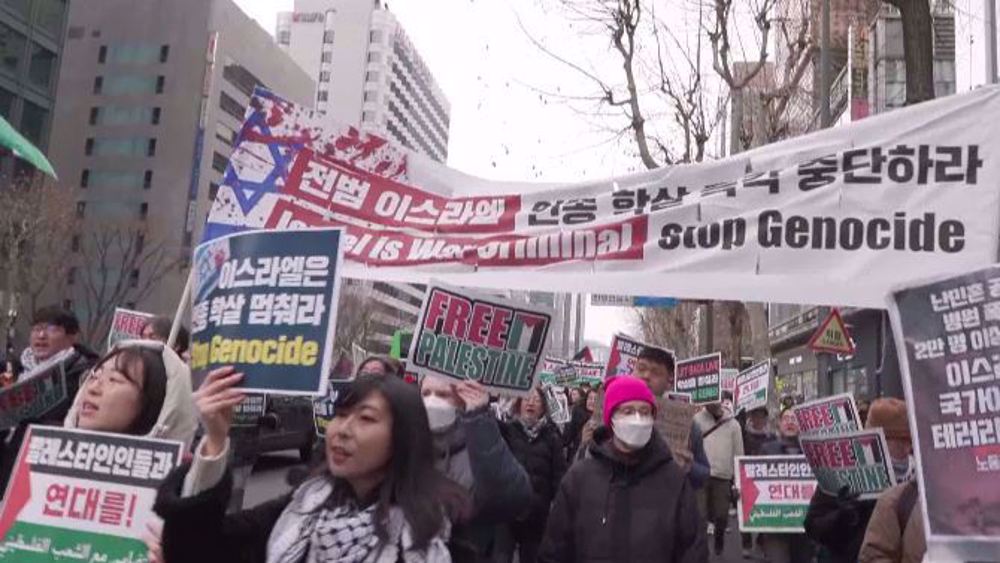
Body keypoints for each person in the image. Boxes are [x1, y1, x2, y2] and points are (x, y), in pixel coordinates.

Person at [154, 370, 470, 563]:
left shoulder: (433, 535)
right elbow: (198, 552)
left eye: (366, 418)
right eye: (341, 415)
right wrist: (215, 438)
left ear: (403, 437)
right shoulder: (302, 509)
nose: (342, 429)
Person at [538, 376, 707, 562]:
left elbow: (693, 550)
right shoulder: (579, 478)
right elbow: (554, 550)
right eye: (628, 411)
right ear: (611, 419)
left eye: (644, 412)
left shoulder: (674, 480)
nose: (638, 419)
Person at [419, 375, 533, 561]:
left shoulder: (485, 437)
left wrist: (478, 418)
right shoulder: (407, 441)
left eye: (443, 394)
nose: (432, 400)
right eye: (426, 393)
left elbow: (513, 498)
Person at [0, 306, 100, 495]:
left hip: (43, 472)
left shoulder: (86, 374)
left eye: (51, 329)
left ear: (72, 337)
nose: (41, 335)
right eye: (36, 329)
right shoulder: (12, 369)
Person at [805, 398, 914, 563]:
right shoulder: (843, 470)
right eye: (898, 441)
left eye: (908, 441)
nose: (906, 447)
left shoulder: (917, 473)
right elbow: (813, 526)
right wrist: (842, 516)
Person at [63, 340, 198, 449]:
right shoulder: (47, 462)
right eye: (94, 377)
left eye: (114, 379)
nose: (93, 388)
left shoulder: (185, 480)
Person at [496, 387, 567, 563]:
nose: (531, 402)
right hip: (507, 511)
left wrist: (557, 508)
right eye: (527, 399)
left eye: (536, 399)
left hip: (537, 514)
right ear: (518, 404)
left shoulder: (552, 437)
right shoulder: (507, 431)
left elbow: (559, 476)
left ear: (543, 407)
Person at [632, 346, 711, 489]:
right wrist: (586, 446)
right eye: (641, 368)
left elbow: (704, 475)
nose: (646, 376)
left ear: (669, 382)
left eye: (655, 372)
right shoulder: (612, 414)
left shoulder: (687, 426)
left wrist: (689, 467)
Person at [756, 406, 816, 563]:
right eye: (786, 418)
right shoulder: (766, 450)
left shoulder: (813, 452)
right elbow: (755, 481)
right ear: (779, 424)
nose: (790, 422)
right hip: (776, 526)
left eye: (794, 419)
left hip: (805, 527)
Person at [693, 400, 744, 556]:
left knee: (722, 515)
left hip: (723, 476)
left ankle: (719, 538)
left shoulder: (733, 425)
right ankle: (701, 551)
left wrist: (739, 482)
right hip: (701, 474)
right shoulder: (696, 420)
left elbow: (739, 454)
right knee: (699, 516)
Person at [739, 406, 774, 558]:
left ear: (765, 418)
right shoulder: (744, 434)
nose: (758, 419)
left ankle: (762, 541)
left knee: (765, 510)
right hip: (746, 476)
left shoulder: (771, 437)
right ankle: (746, 544)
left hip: (765, 479)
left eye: (761, 416)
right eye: (755, 416)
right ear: (751, 418)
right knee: (745, 510)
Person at [562, 388, 593, 461]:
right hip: (575, 454)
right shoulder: (576, 413)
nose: (592, 401)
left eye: (595, 399)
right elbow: (567, 437)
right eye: (590, 398)